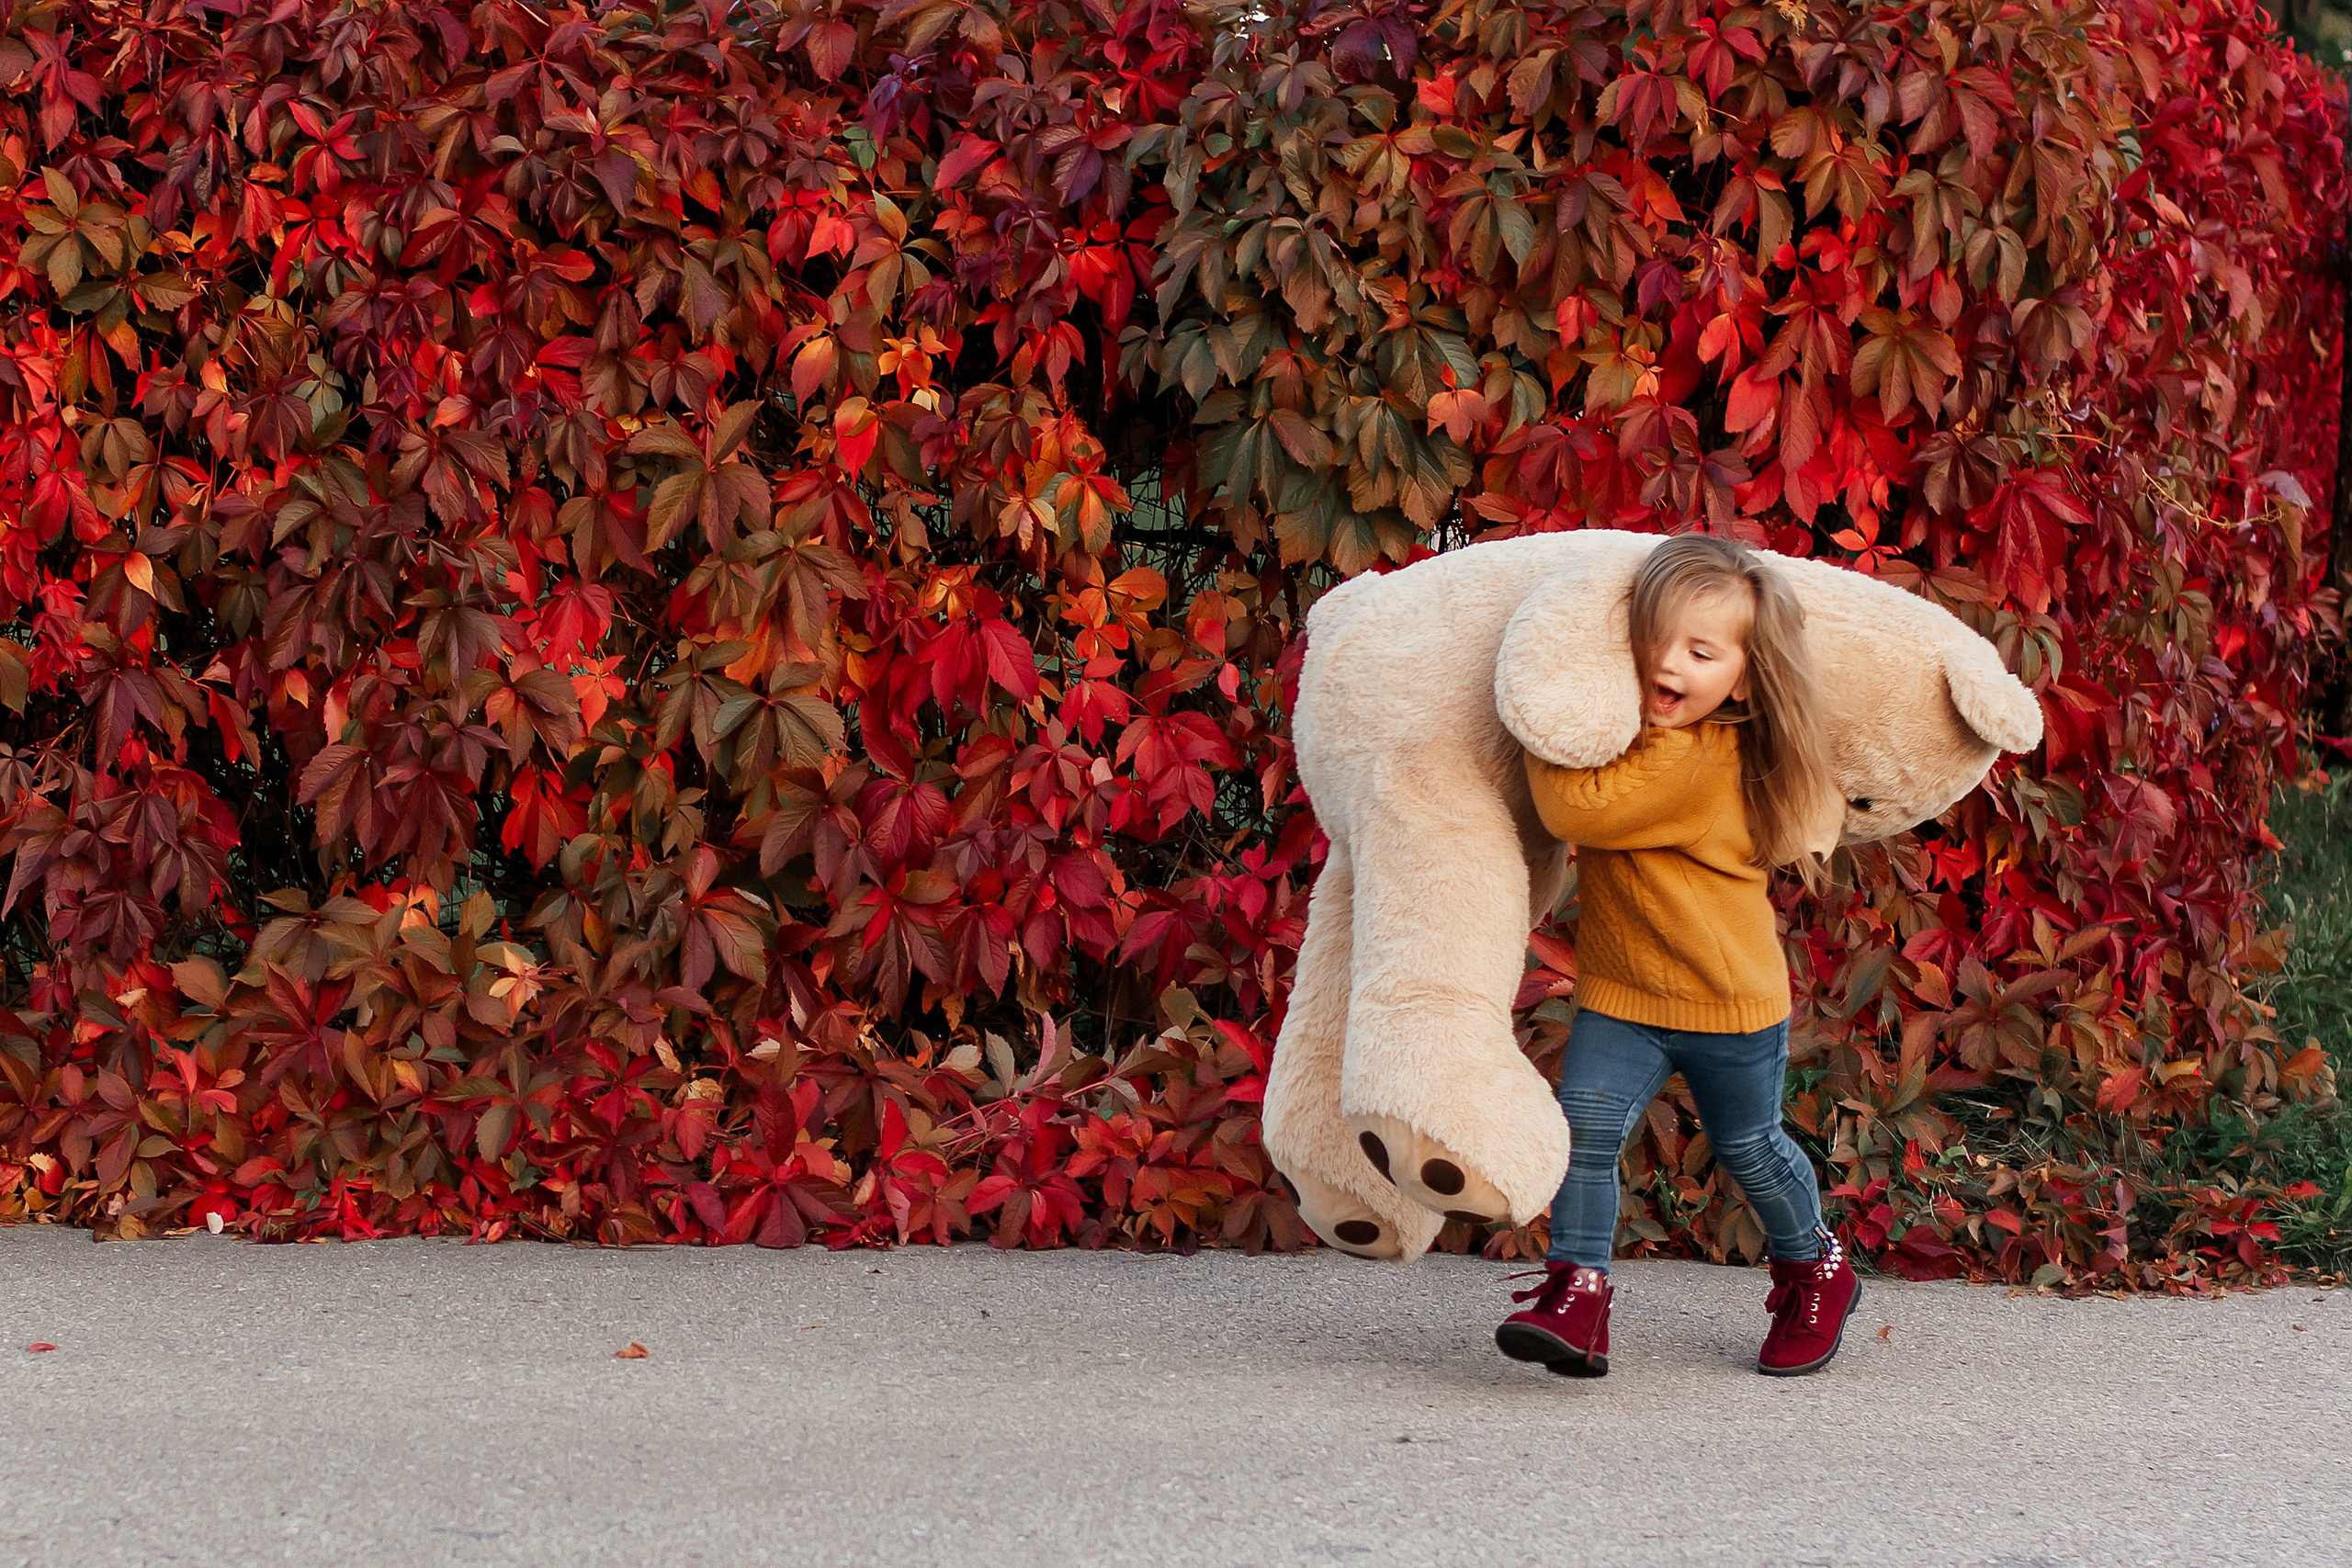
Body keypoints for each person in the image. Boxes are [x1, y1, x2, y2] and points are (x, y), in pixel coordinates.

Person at [1494, 533, 1860, 1379]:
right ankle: (1578, 1292)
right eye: (1653, 641)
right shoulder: (1640, 735)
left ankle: (1817, 1267)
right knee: (1582, 1132)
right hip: (1624, 995)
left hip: (1727, 1003)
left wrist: (1533, 702)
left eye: (1700, 651)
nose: (1670, 665)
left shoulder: (1697, 761)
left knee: (1751, 1149)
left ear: (1744, 670)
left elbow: (1573, 807)